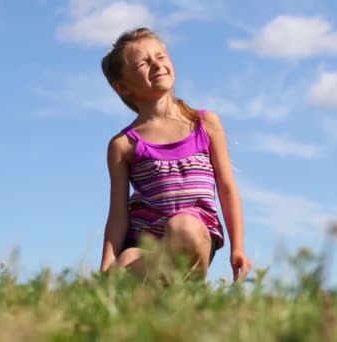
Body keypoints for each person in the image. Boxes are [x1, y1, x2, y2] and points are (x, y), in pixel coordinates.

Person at [98, 27, 251, 282]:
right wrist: (107, 264)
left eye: (160, 56)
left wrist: (238, 247)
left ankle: (184, 289)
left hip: (194, 235)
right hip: (147, 242)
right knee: (126, 261)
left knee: (182, 226)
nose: (156, 64)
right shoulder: (123, 144)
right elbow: (118, 213)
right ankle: (172, 302)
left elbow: (227, 188)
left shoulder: (205, 123)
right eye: (144, 63)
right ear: (123, 87)